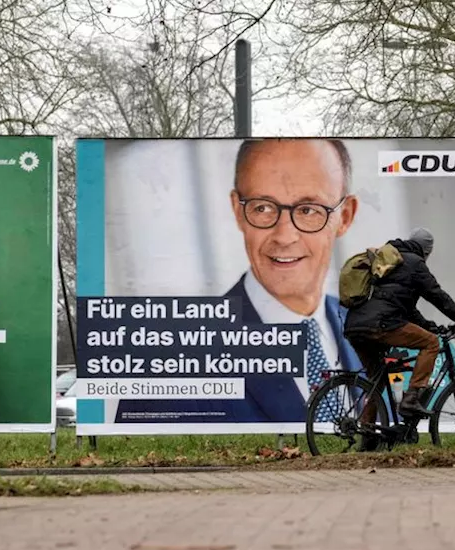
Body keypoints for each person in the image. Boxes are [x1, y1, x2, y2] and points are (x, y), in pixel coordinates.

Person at [114, 138, 362, 423]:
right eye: (262, 208)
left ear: (345, 216)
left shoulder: (370, 331)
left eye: (308, 210)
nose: (285, 236)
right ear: (237, 211)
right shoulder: (170, 361)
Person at [343, 227, 455, 436]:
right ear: (427, 251)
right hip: (380, 324)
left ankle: (368, 436)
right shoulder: (415, 264)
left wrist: (427, 325)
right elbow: (438, 296)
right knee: (431, 343)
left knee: (376, 381)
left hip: (355, 326)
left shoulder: (388, 259)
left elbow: (403, 306)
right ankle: (412, 398)